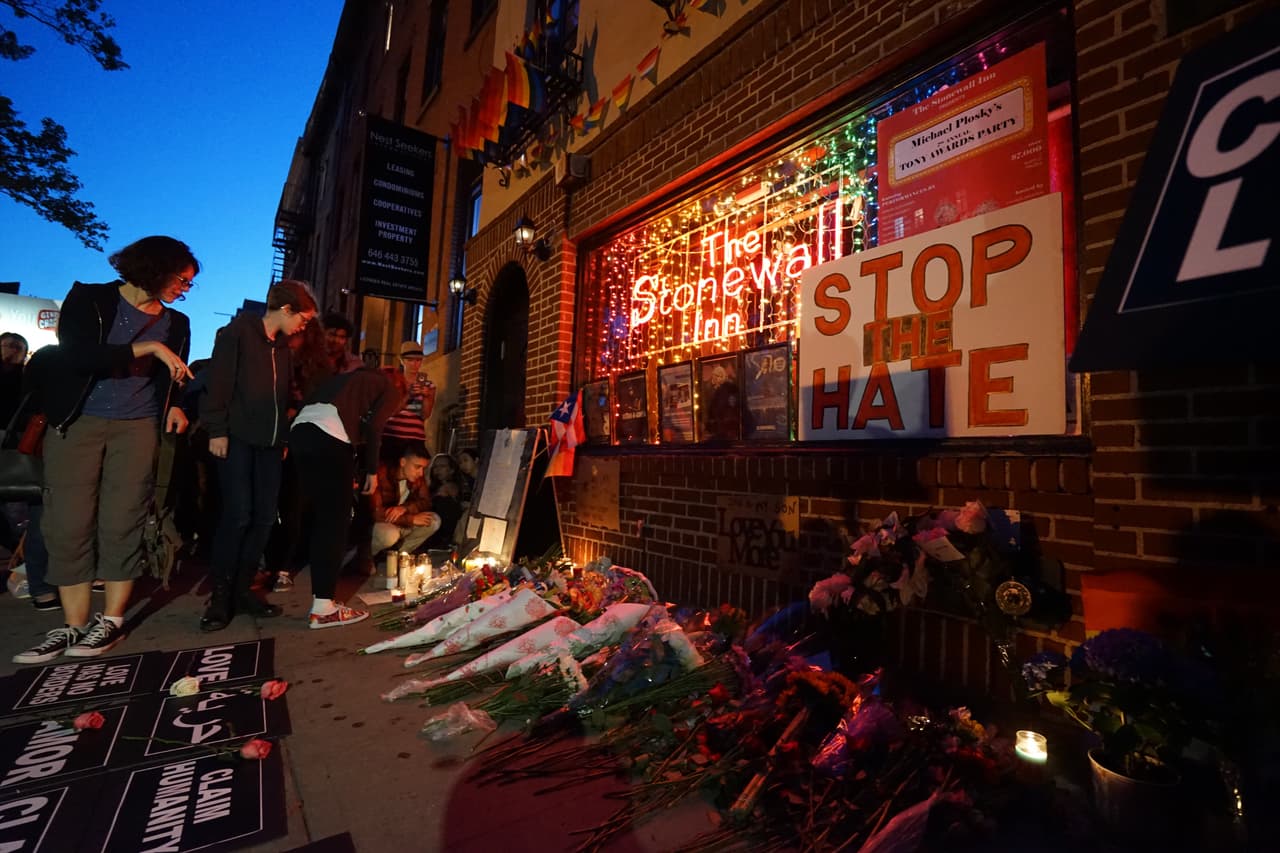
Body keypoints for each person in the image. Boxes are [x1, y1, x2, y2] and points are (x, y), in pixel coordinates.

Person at [13, 235, 195, 664]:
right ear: (155, 267)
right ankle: (73, 625)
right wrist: (148, 347)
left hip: (137, 427)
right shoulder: (90, 299)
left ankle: (109, 620)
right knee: (68, 522)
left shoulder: (178, 322)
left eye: (189, 284)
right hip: (78, 422)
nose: (184, 290)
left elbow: (175, 376)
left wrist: (179, 407)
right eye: (181, 279)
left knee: (123, 520)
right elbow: (75, 357)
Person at [199, 280, 317, 632]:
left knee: (265, 517)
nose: (304, 325)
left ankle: (243, 589)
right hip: (236, 438)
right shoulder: (237, 334)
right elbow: (218, 383)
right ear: (286, 310)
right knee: (238, 514)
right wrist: (217, 429)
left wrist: (281, 438)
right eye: (304, 318)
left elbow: (281, 398)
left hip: (269, 444)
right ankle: (220, 596)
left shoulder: (282, 348)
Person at [289, 366, 402, 629]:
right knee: (335, 524)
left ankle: (322, 601)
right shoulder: (391, 388)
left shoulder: (346, 379)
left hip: (300, 433)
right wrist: (372, 472)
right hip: (331, 437)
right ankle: (323, 608)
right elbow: (375, 427)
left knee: (320, 520)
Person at [370, 443, 440, 558]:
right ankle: (366, 557)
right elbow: (375, 513)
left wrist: (405, 508)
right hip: (380, 525)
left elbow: (426, 502)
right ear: (403, 462)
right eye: (417, 467)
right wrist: (411, 519)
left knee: (433, 520)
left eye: (423, 468)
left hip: (401, 523)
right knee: (390, 535)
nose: (421, 473)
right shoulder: (381, 474)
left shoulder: (417, 479)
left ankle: (396, 556)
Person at [380, 341, 436, 464]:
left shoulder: (428, 385)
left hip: (415, 438)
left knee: (414, 476)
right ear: (402, 361)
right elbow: (390, 411)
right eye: (410, 360)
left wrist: (426, 397)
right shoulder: (393, 382)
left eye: (418, 360)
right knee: (389, 473)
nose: (414, 364)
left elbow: (425, 415)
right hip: (392, 436)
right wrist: (409, 396)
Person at [0, 331, 29, 431]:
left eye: (18, 348)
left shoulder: (26, 378)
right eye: (10, 346)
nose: (14, 350)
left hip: (10, 430)